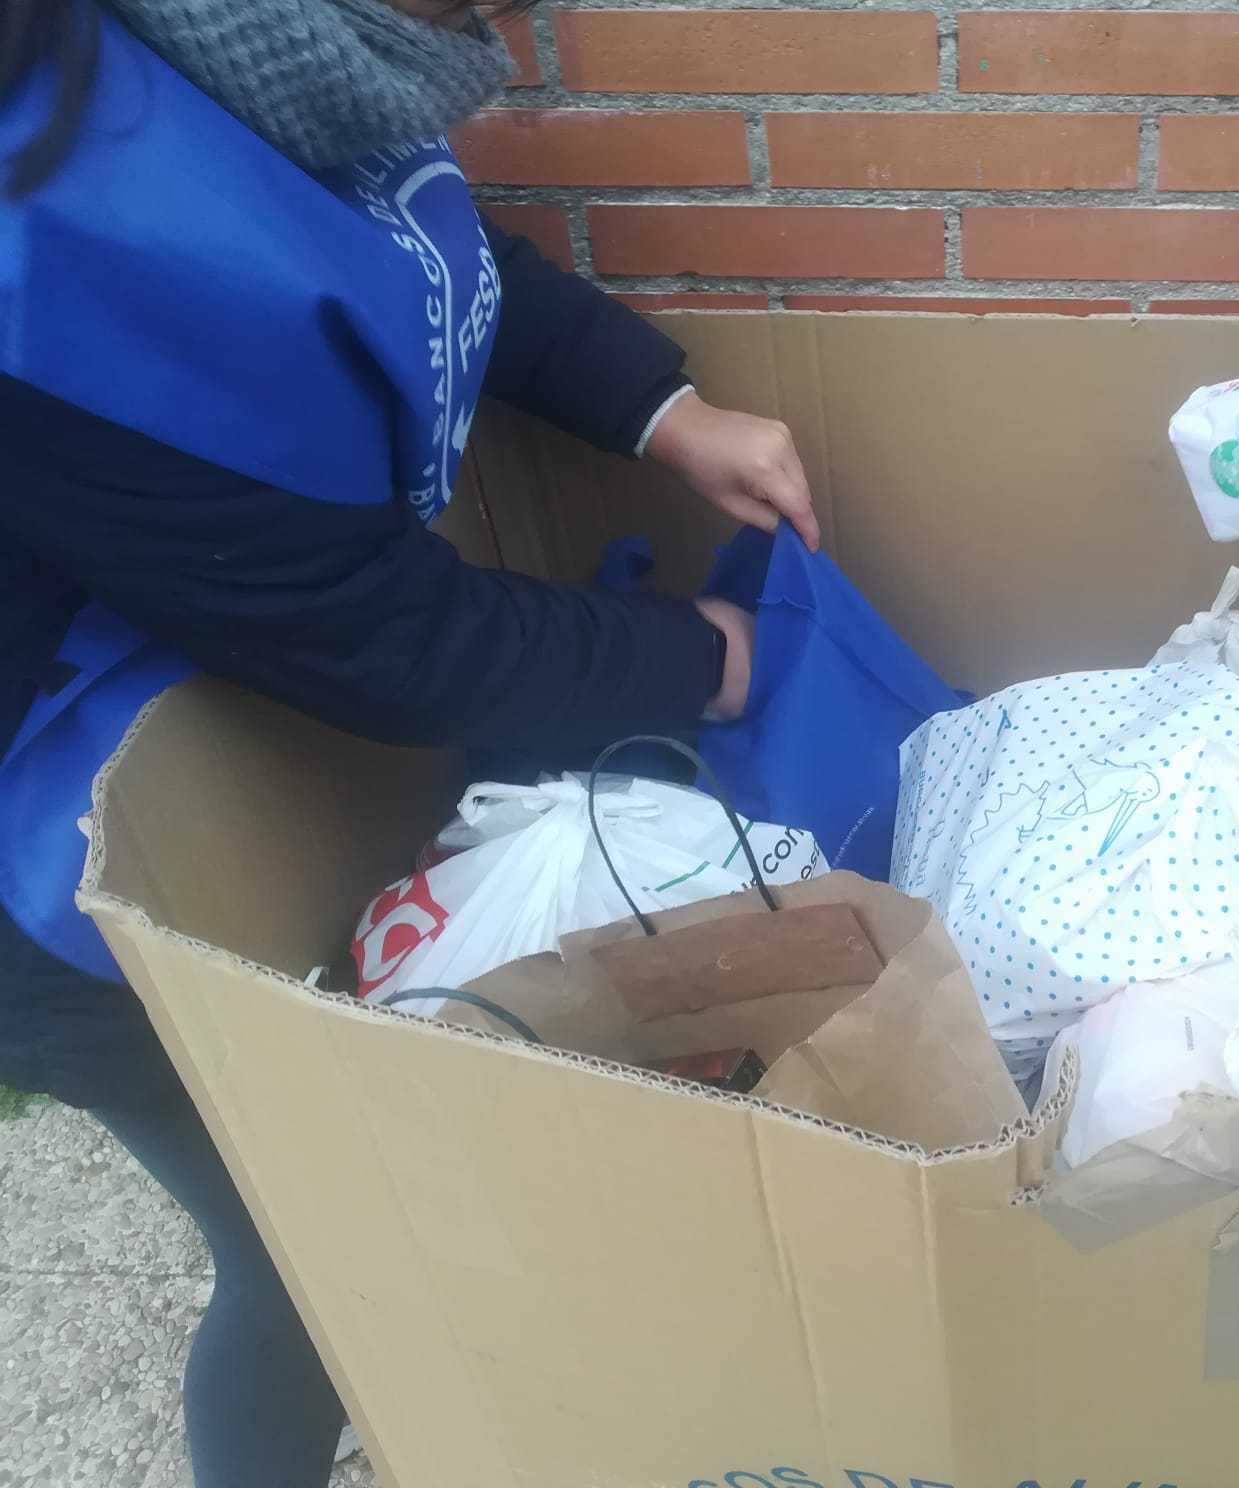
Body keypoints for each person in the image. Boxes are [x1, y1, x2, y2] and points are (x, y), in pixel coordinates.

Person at [0, 1, 818, 1483]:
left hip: (232, 704)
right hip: (62, 848)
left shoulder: (274, 47)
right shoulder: (35, 221)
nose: (500, 32)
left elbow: (403, 253)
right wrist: (706, 658)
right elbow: (378, 632)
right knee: (303, 1258)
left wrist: (662, 409)